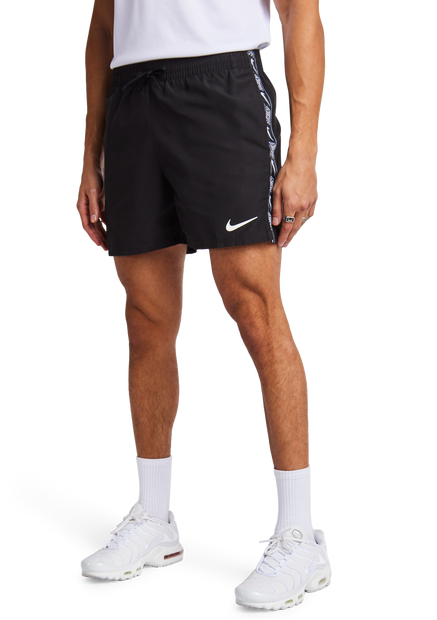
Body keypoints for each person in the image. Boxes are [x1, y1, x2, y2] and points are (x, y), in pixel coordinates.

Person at [74, 0, 332, 610]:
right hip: (133, 98)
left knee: (254, 307)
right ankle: (154, 519)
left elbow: (300, 11)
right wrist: (91, 151)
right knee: (146, 318)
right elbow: (105, 23)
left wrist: (304, 151)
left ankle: (300, 538)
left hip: (222, 89)